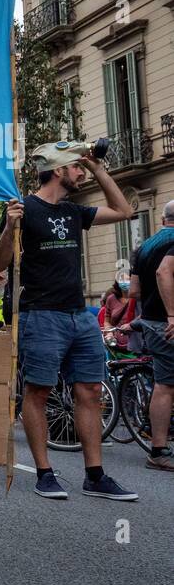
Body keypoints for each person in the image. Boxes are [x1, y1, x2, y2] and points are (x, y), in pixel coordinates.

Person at [0, 142, 137, 500]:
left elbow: (125, 210)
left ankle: (95, 475)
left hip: (78, 317)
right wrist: (10, 228)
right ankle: (44, 472)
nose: (81, 171)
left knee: (89, 390)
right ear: (58, 170)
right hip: (39, 315)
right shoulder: (22, 209)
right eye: (76, 166)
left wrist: (100, 169)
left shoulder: (74, 212)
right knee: (38, 391)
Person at [127, 198, 174, 471]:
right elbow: (163, 271)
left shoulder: (144, 246)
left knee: (164, 383)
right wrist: (171, 313)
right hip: (167, 323)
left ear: (162, 219)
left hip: (151, 322)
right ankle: (158, 451)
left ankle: (158, 447)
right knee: (166, 385)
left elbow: (134, 291)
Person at [99, 277, 135, 349]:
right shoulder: (111, 299)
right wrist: (109, 333)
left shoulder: (139, 298)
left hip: (138, 345)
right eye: (122, 280)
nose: (125, 282)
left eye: (128, 279)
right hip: (116, 345)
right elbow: (107, 321)